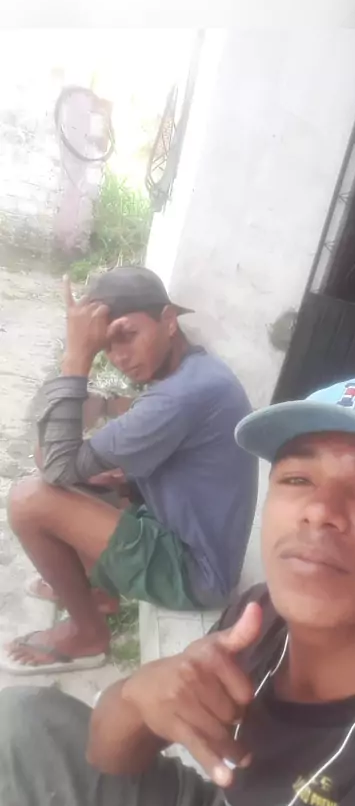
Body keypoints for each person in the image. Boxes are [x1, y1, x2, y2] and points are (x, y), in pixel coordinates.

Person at [1, 374, 355, 806]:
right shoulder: (260, 618)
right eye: (297, 479)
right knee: (20, 722)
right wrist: (139, 698)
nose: (320, 510)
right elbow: (109, 757)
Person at [3, 267, 257, 673]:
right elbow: (66, 453)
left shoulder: (179, 397)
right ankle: (98, 592)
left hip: (195, 573)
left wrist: (76, 357)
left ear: (169, 320)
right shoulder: (196, 370)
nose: (119, 357)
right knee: (80, 475)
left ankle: (87, 635)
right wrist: (103, 408)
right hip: (183, 532)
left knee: (29, 500)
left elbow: (55, 465)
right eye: (105, 346)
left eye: (127, 335)